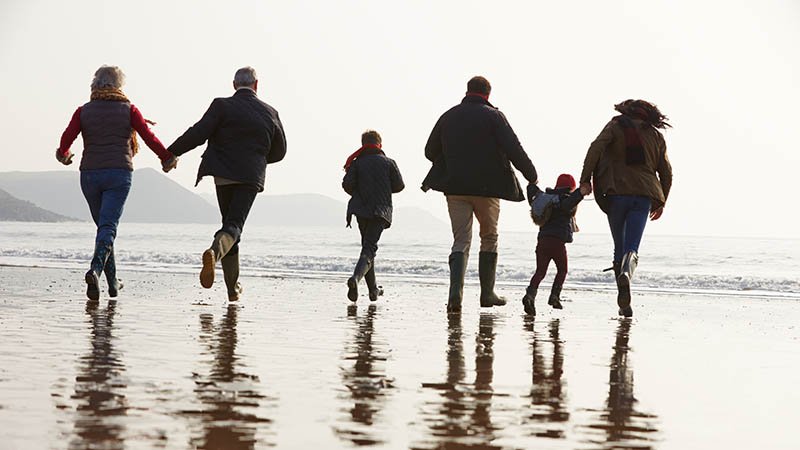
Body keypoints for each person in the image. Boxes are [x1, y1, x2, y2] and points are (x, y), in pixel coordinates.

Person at [55, 65, 178, 301]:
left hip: (89, 175)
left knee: (104, 228)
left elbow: (66, 138)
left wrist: (64, 154)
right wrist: (167, 157)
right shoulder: (129, 110)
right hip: (118, 174)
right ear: (118, 85)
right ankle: (95, 270)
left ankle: (112, 283)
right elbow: (148, 136)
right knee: (108, 228)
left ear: (95, 84)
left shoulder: (83, 111)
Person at [167, 66, 286, 301]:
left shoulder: (221, 105)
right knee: (233, 226)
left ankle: (232, 288)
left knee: (230, 227)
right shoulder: (270, 112)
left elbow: (198, 133)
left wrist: (171, 152)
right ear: (256, 85)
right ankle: (215, 252)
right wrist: (259, 158)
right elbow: (280, 151)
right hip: (251, 175)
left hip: (222, 173)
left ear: (234, 85)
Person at [423, 76, 539, 312]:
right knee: (489, 236)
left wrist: (453, 159)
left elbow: (429, 151)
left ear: (467, 91)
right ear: (488, 94)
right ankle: (487, 294)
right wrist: (531, 176)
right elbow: (513, 148)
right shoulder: (494, 116)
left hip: (455, 188)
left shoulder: (449, 116)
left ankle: (455, 294)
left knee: (461, 240)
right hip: (487, 189)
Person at [579, 99, 673, 317]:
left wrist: (585, 179)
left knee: (619, 248)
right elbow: (666, 172)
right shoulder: (656, 136)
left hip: (616, 194)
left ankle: (623, 303)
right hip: (643, 196)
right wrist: (662, 200)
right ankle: (627, 277)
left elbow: (595, 148)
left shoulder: (615, 126)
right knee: (632, 248)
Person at [342, 130, 405, 302]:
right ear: (380, 144)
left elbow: (347, 185)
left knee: (367, 248)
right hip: (380, 210)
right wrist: (383, 188)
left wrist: (360, 191)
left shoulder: (356, 163)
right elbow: (399, 185)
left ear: (363, 144)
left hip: (361, 210)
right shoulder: (389, 163)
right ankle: (355, 279)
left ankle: (373, 290)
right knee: (369, 249)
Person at [521, 174, 586, 316]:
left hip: (542, 241)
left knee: (540, 271)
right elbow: (569, 203)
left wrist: (532, 183)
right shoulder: (564, 200)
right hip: (557, 243)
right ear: (570, 188)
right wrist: (581, 193)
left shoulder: (545, 199)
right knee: (562, 270)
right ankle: (554, 296)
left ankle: (530, 296)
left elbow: (532, 194)